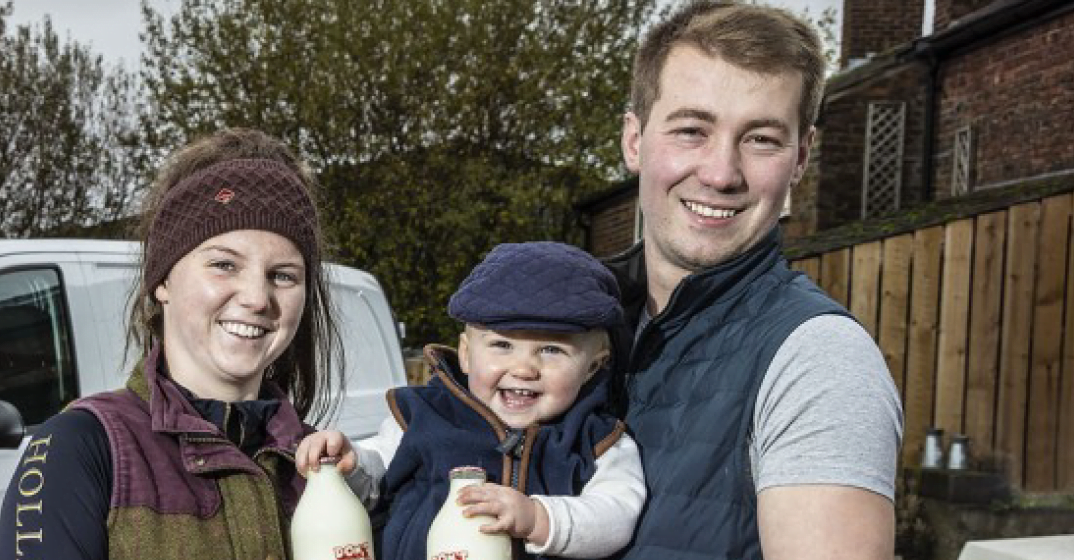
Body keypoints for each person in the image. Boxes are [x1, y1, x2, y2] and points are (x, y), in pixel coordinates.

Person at [607, 2, 902, 558]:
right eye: (692, 130)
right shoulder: (564, 315)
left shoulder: (818, 362)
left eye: (761, 139)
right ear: (633, 140)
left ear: (800, 158)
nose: (721, 174)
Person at [0, 128, 345, 560]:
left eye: (283, 275)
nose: (257, 298)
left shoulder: (321, 474)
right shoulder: (83, 446)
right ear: (162, 279)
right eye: (223, 265)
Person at [297, 241, 645, 560]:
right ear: (466, 354)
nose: (523, 368)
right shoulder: (424, 414)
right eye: (502, 345)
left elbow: (616, 515)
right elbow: (375, 480)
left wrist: (539, 517)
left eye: (551, 350)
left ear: (592, 366)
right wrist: (350, 463)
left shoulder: (600, 440)